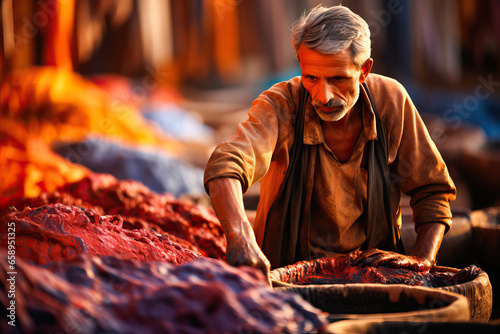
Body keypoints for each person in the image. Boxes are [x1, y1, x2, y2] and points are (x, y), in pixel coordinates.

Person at [204, 5, 456, 283]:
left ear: (364, 70)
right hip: (288, 278)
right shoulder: (281, 105)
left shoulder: (391, 101)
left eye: (338, 79)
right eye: (311, 78)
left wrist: (422, 259)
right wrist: (241, 235)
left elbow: (431, 189)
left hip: (374, 279)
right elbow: (227, 163)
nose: (323, 96)